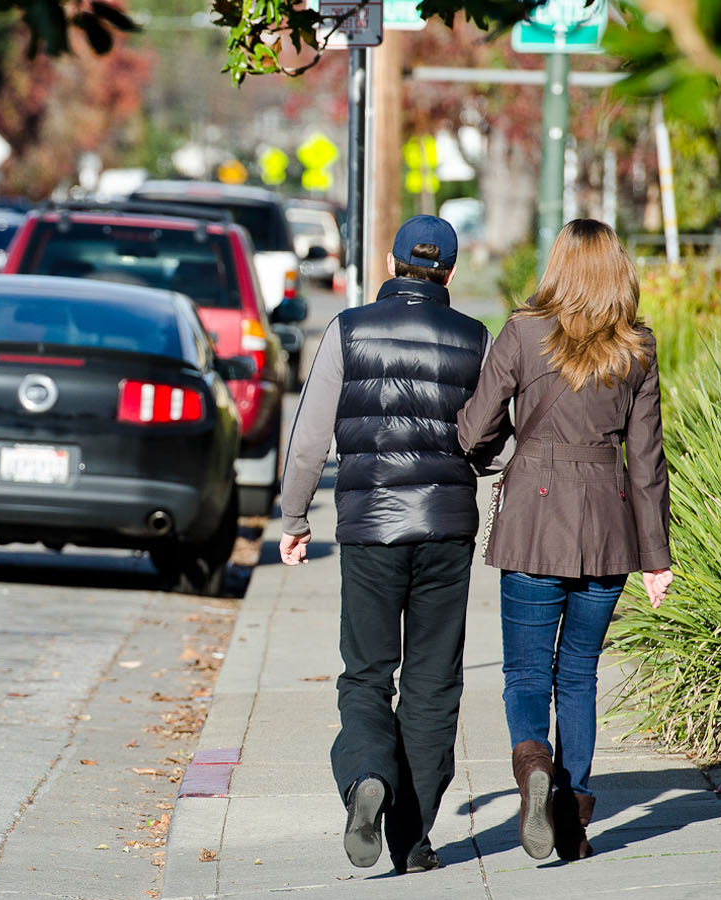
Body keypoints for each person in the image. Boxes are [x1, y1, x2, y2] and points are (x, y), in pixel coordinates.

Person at [278, 215, 495, 875]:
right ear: (450, 273)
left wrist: (294, 517)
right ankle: (414, 840)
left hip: (370, 530)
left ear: (393, 264)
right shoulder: (474, 339)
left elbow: (312, 432)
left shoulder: (349, 329)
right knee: (433, 686)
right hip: (446, 531)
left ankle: (367, 777)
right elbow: (489, 440)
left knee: (367, 675)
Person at [456, 218, 673, 862]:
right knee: (578, 674)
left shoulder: (523, 332)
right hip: (608, 529)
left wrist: (501, 456)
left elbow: (473, 430)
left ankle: (532, 769)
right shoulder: (637, 346)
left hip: (532, 518)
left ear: (557, 266)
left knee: (525, 671)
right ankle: (572, 817)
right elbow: (648, 460)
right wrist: (656, 558)